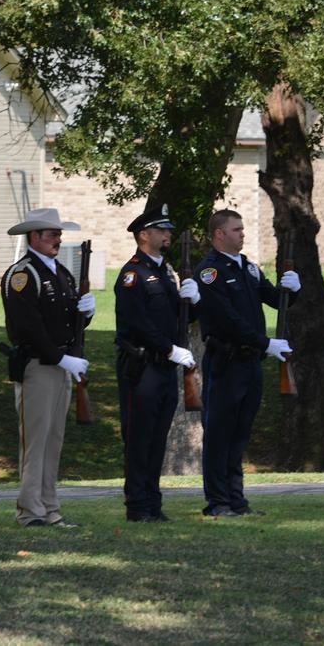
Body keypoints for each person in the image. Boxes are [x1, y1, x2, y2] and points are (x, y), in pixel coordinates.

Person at [194, 209, 299, 517]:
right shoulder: (209, 271)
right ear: (219, 234)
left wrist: (292, 290)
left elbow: (274, 298)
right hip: (226, 361)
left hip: (249, 361)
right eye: (236, 229)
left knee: (240, 433)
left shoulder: (248, 268)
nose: (243, 233)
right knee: (219, 433)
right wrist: (265, 343)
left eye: (242, 228)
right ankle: (218, 501)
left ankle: (236, 500)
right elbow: (227, 319)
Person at [1, 208, 95, 527]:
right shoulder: (23, 274)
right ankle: (30, 511)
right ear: (34, 237)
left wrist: (87, 312)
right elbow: (27, 327)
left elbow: (67, 323)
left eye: (58, 234)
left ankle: (50, 508)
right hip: (38, 366)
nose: (58, 239)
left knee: (53, 442)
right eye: (51, 234)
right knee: (35, 442)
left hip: (60, 366)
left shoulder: (62, 273)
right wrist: (60, 357)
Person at [114, 204, 198, 523]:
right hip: (143, 367)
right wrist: (169, 349)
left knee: (158, 437)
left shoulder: (167, 272)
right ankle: (137, 505)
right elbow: (138, 324)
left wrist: (195, 303)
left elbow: (177, 320)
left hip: (163, 366)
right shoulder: (133, 274)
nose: (168, 235)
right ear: (143, 235)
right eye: (162, 230)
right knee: (139, 438)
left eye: (169, 230)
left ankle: (153, 502)